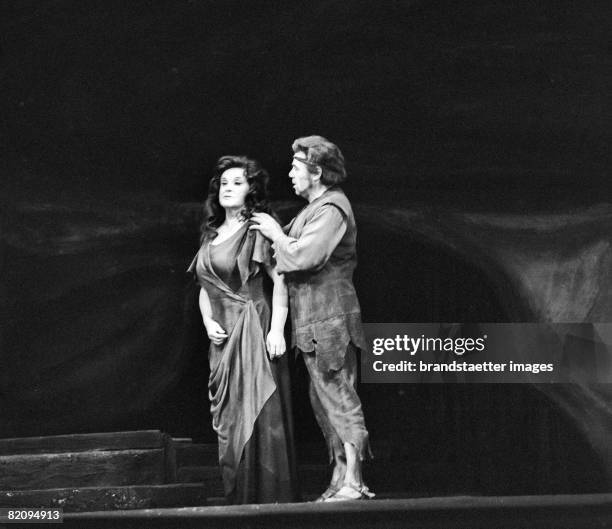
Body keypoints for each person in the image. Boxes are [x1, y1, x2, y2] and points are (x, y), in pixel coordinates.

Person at [250, 136, 374, 502]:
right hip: (311, 321)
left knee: (338, 395)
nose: (290, 174)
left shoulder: (333, 208)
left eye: (296, 167)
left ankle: (354, 480)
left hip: (331, 316)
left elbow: (306, 256)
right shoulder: (309, 211)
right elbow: (283, 257)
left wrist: (275, 234)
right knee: (323, 402)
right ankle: (340, 477)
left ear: (316, 172)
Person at [187, 155, 298, 504]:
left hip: (254, 327)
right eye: (223, 183)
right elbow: (205, 287)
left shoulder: (256, 228)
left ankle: (269, 500)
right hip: (222, 340)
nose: (228, 188)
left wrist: (277, 329)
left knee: (262, 416)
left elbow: (280, 280)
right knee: (232, 420)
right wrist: (207, 322)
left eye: (237, 182)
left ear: (251, 189)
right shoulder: (211, 233)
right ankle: (241, 502)